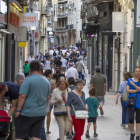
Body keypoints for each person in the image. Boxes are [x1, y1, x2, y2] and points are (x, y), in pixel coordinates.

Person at [15, 60, 50, 140]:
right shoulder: (46, 82)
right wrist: (44, 109)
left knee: (21, 135)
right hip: (40, 113)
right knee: (36, 135)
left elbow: (22, 96)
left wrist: (18, 110)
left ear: (30, 70)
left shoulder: (27, 80)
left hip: (27, 113)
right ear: (40, 70)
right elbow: (48, 97)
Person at [126, 67, 140, 140]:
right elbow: (127, 90)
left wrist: (133, 85)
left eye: (138, 71)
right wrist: (136, 90)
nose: (137, 72)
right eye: (136, 71)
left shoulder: (134, 81)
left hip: (139, 102)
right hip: (131, 101)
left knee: (138, 119)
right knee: (131, 118)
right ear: (134, 72)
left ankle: (137, 135)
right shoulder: (129, 80)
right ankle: (132, 133)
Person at [12, 73, 24, 140]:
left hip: (22, 109)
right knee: (14, 126)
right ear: (17, 80)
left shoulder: (24, 87)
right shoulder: (15, 87)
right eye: (20, 79)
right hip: (15, 108)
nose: (22, 81)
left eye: (23, 79)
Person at [44, 69, 56, 134]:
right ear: (49, 74)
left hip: (42, 97)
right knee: (48, 114)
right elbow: (54, 90)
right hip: (50, 97)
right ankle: (47, 129)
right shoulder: (52, 81)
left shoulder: (42, 79)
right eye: (51, 74)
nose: (52, 75)